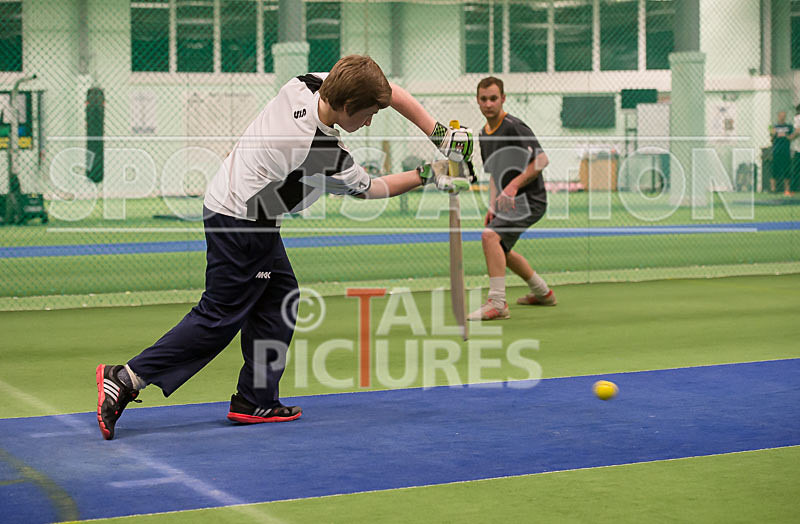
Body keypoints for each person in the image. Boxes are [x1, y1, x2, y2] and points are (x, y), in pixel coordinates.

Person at [96, 55, 472, 440]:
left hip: (243, 204)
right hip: (242, 221)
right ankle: (124, 379)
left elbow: (389, 94)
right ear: (345, 107)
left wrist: (439, 133)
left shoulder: (306, 84)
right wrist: (431, 173)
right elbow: (371, 188)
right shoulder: (320, 152)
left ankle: (255, 399)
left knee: (280, 297)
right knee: (219, 316)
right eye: (368, 115)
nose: (370, 121)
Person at [467, 76, 554, 321]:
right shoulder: (483, 135)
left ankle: (497, 303)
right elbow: (494, 174)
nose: (488, 104)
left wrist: (514, 185)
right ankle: (543, 293)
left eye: (493, 98)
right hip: (508, 203)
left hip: (532, 200)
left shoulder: (514, 126)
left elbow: (542, 160)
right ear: (478, 101)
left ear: (503, 99)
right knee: (499, 249)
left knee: (490, 237)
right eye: (483, 99)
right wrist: (493, 206)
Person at [770, 111, 793, 196]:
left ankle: (787, 190)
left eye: (784, 116)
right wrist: (774, 134)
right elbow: (771, 139)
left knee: (787, 169)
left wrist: (786, 136)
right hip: (776, 151)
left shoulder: (789, 127)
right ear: (778, 116)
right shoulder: (774, 127)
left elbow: (791, 137)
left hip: (786, 151)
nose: (782, 117)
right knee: (774, 170)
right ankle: (773, 189)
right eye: (781, 116)